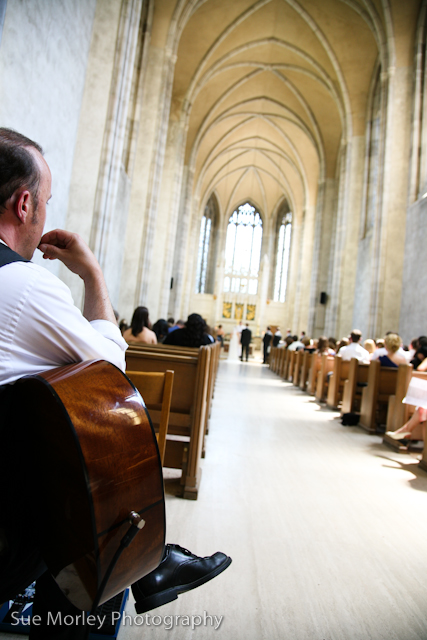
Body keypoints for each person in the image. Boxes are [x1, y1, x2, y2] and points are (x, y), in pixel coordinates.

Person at [0, 128, 231, 639]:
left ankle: (145, 560)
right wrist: (93, 276)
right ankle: (141, 559)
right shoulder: (23, 286)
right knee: (97, 540)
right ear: (24, 204)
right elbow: (112, 378)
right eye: (46, 201)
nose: (45, 213)